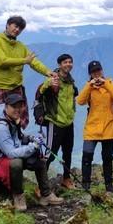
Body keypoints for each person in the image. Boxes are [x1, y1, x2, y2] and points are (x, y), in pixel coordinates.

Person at [0, 93, 64, 211]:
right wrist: (32, 146)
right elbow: (11, 153)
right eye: (14, 107)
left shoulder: (12, 120)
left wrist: (30, 139)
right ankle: (18, 195)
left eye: (20, 106)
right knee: (17, 162)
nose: (18, 110)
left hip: (7, 156)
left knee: (40, 160)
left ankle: (46, 194)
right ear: (6, 107)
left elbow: (17, 139)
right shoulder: (0, 128)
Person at [0, 15, 56, 131]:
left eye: (20, 28)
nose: (17, 30)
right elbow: (2, 61)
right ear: (8, 25)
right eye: (15, 26)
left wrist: (47, 72)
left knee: (16, 121)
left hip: (16, 88)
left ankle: (14, 142)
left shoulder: (20, 46)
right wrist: (24, 61)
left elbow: (33, 62)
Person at [76, 60, 113, 193]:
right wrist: (90, 86)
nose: (96, 74)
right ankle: (86, 184)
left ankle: (109, 185)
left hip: (109, 126)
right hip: (92, 127)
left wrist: (105, 83)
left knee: (107, 157)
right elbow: (80, 101)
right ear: (90, 74)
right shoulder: (88, 87)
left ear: (102, 71)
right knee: (87, 156)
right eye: (93, 72)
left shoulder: (110, 83)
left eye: (98, 71)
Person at [39, 53, 77, 189]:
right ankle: (41, 185)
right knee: (50, 153)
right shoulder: (52, 78)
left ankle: (66, 179)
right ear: (59, 65)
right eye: (65, 62)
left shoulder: (70, 81)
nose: (68, 64)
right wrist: (48, 84)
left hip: (68, 122)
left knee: (68, 152)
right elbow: (40, 92)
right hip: (55, 122)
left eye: (70, 62)